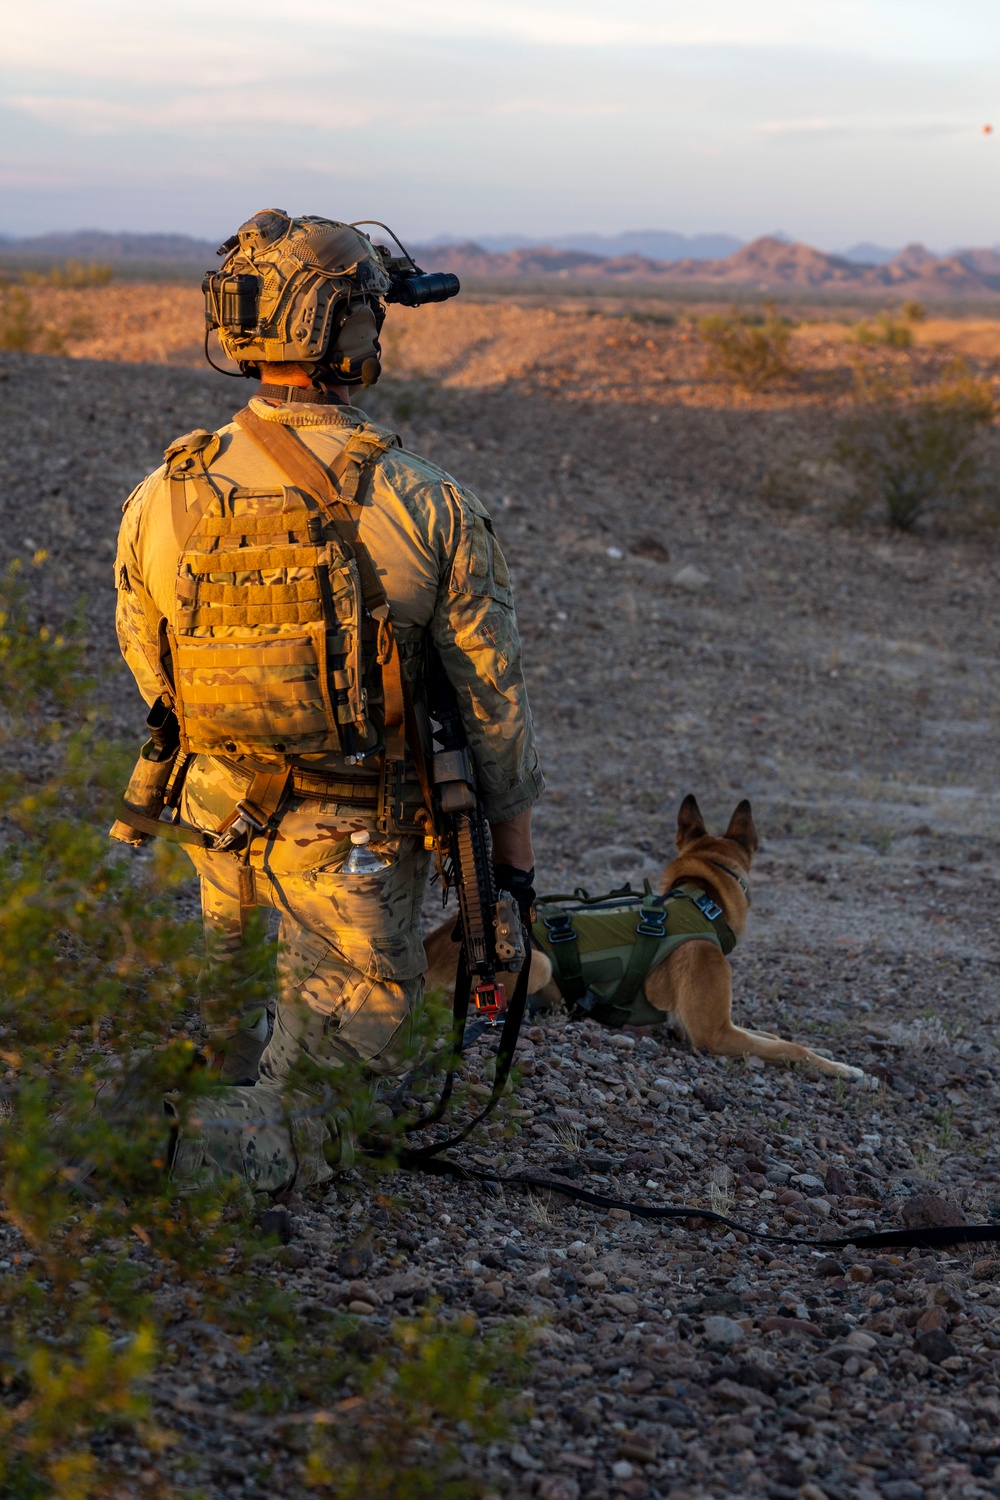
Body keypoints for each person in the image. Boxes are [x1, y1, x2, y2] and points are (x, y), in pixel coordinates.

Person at [112, 210, 542, 1192]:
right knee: (358, 1035)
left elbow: (153, 672)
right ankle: (227, 1155)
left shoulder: (162, 496)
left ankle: (212, 1085)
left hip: (215, 805)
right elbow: (494, 714)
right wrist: (509, 870)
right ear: (355, 335)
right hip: (359, 832)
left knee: (236, 991)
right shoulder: (426, 502)